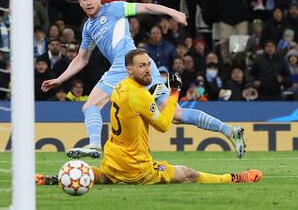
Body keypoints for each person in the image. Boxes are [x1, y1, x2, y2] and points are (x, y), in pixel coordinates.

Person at [41, 0, 245, 160]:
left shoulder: (115, 8)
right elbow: (82, 58)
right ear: (79, 1)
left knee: (90, 106)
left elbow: (146, 7)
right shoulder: (88, 28)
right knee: (175, 115)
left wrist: (172, 12)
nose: (88, 2)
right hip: (144, 64)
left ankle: (94, 144)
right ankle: (230, 131)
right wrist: (59, 79)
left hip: (126, 63)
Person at [36, 50, 262, 186]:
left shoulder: (119, 87)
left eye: (149, 66)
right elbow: (164, 125)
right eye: (142, 66)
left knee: (107, 177)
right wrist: (174, 93)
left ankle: (57, 178)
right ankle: (232, 178)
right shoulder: (139, 96)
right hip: (137, 169)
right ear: (129, 70)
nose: (148, 70)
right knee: (188, 174)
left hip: (112, 161)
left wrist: (154, 95)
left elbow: (138, 105)